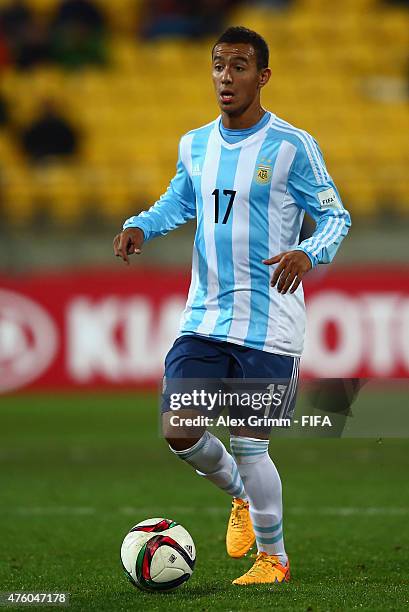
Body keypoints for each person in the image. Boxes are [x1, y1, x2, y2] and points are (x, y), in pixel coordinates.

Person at [113, 26, 351, 585]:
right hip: (205, 318)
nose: (226, 75)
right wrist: (141, 224)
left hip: (270, 325)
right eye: (219, 65)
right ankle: (241, 496)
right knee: (178, 427)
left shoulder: (292, 145)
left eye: (240, 66)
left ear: (262, 76)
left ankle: (275, 560)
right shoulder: (194, 143)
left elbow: (335, 216)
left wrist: (308, 253)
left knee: (249, 440)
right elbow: (180, 199)